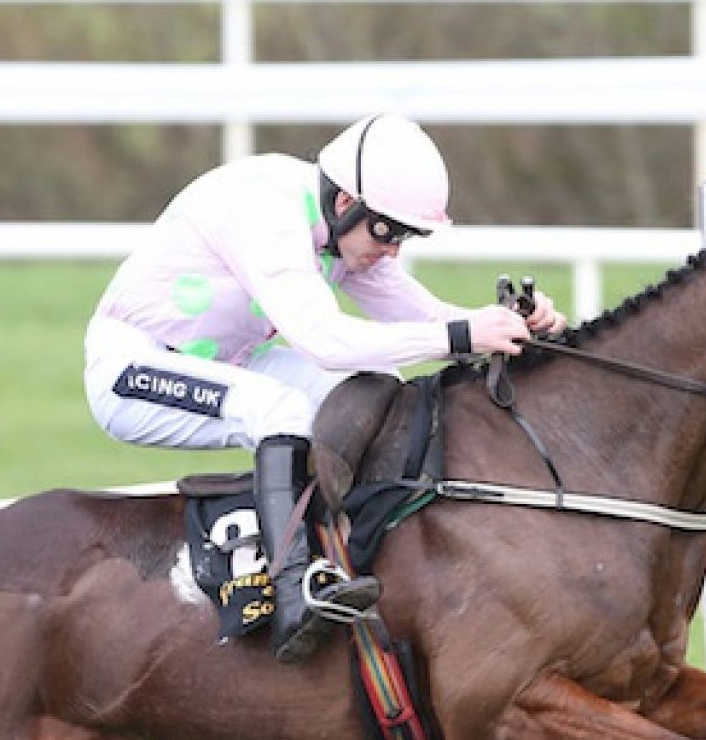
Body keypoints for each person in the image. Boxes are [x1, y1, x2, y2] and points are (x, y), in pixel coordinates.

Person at [85, 113, 565, 663]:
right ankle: (294, 597)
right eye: (389, 232)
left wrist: (505, 326)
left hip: (236, 360)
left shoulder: (345, 232)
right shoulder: (267, 211)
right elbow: (324, 339)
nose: (393, 249)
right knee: (279, 410)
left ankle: (363, 553)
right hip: (133, 368)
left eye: (407, 235)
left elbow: (425, 317)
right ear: (346, 205)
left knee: (368, 392)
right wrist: (462, 334)